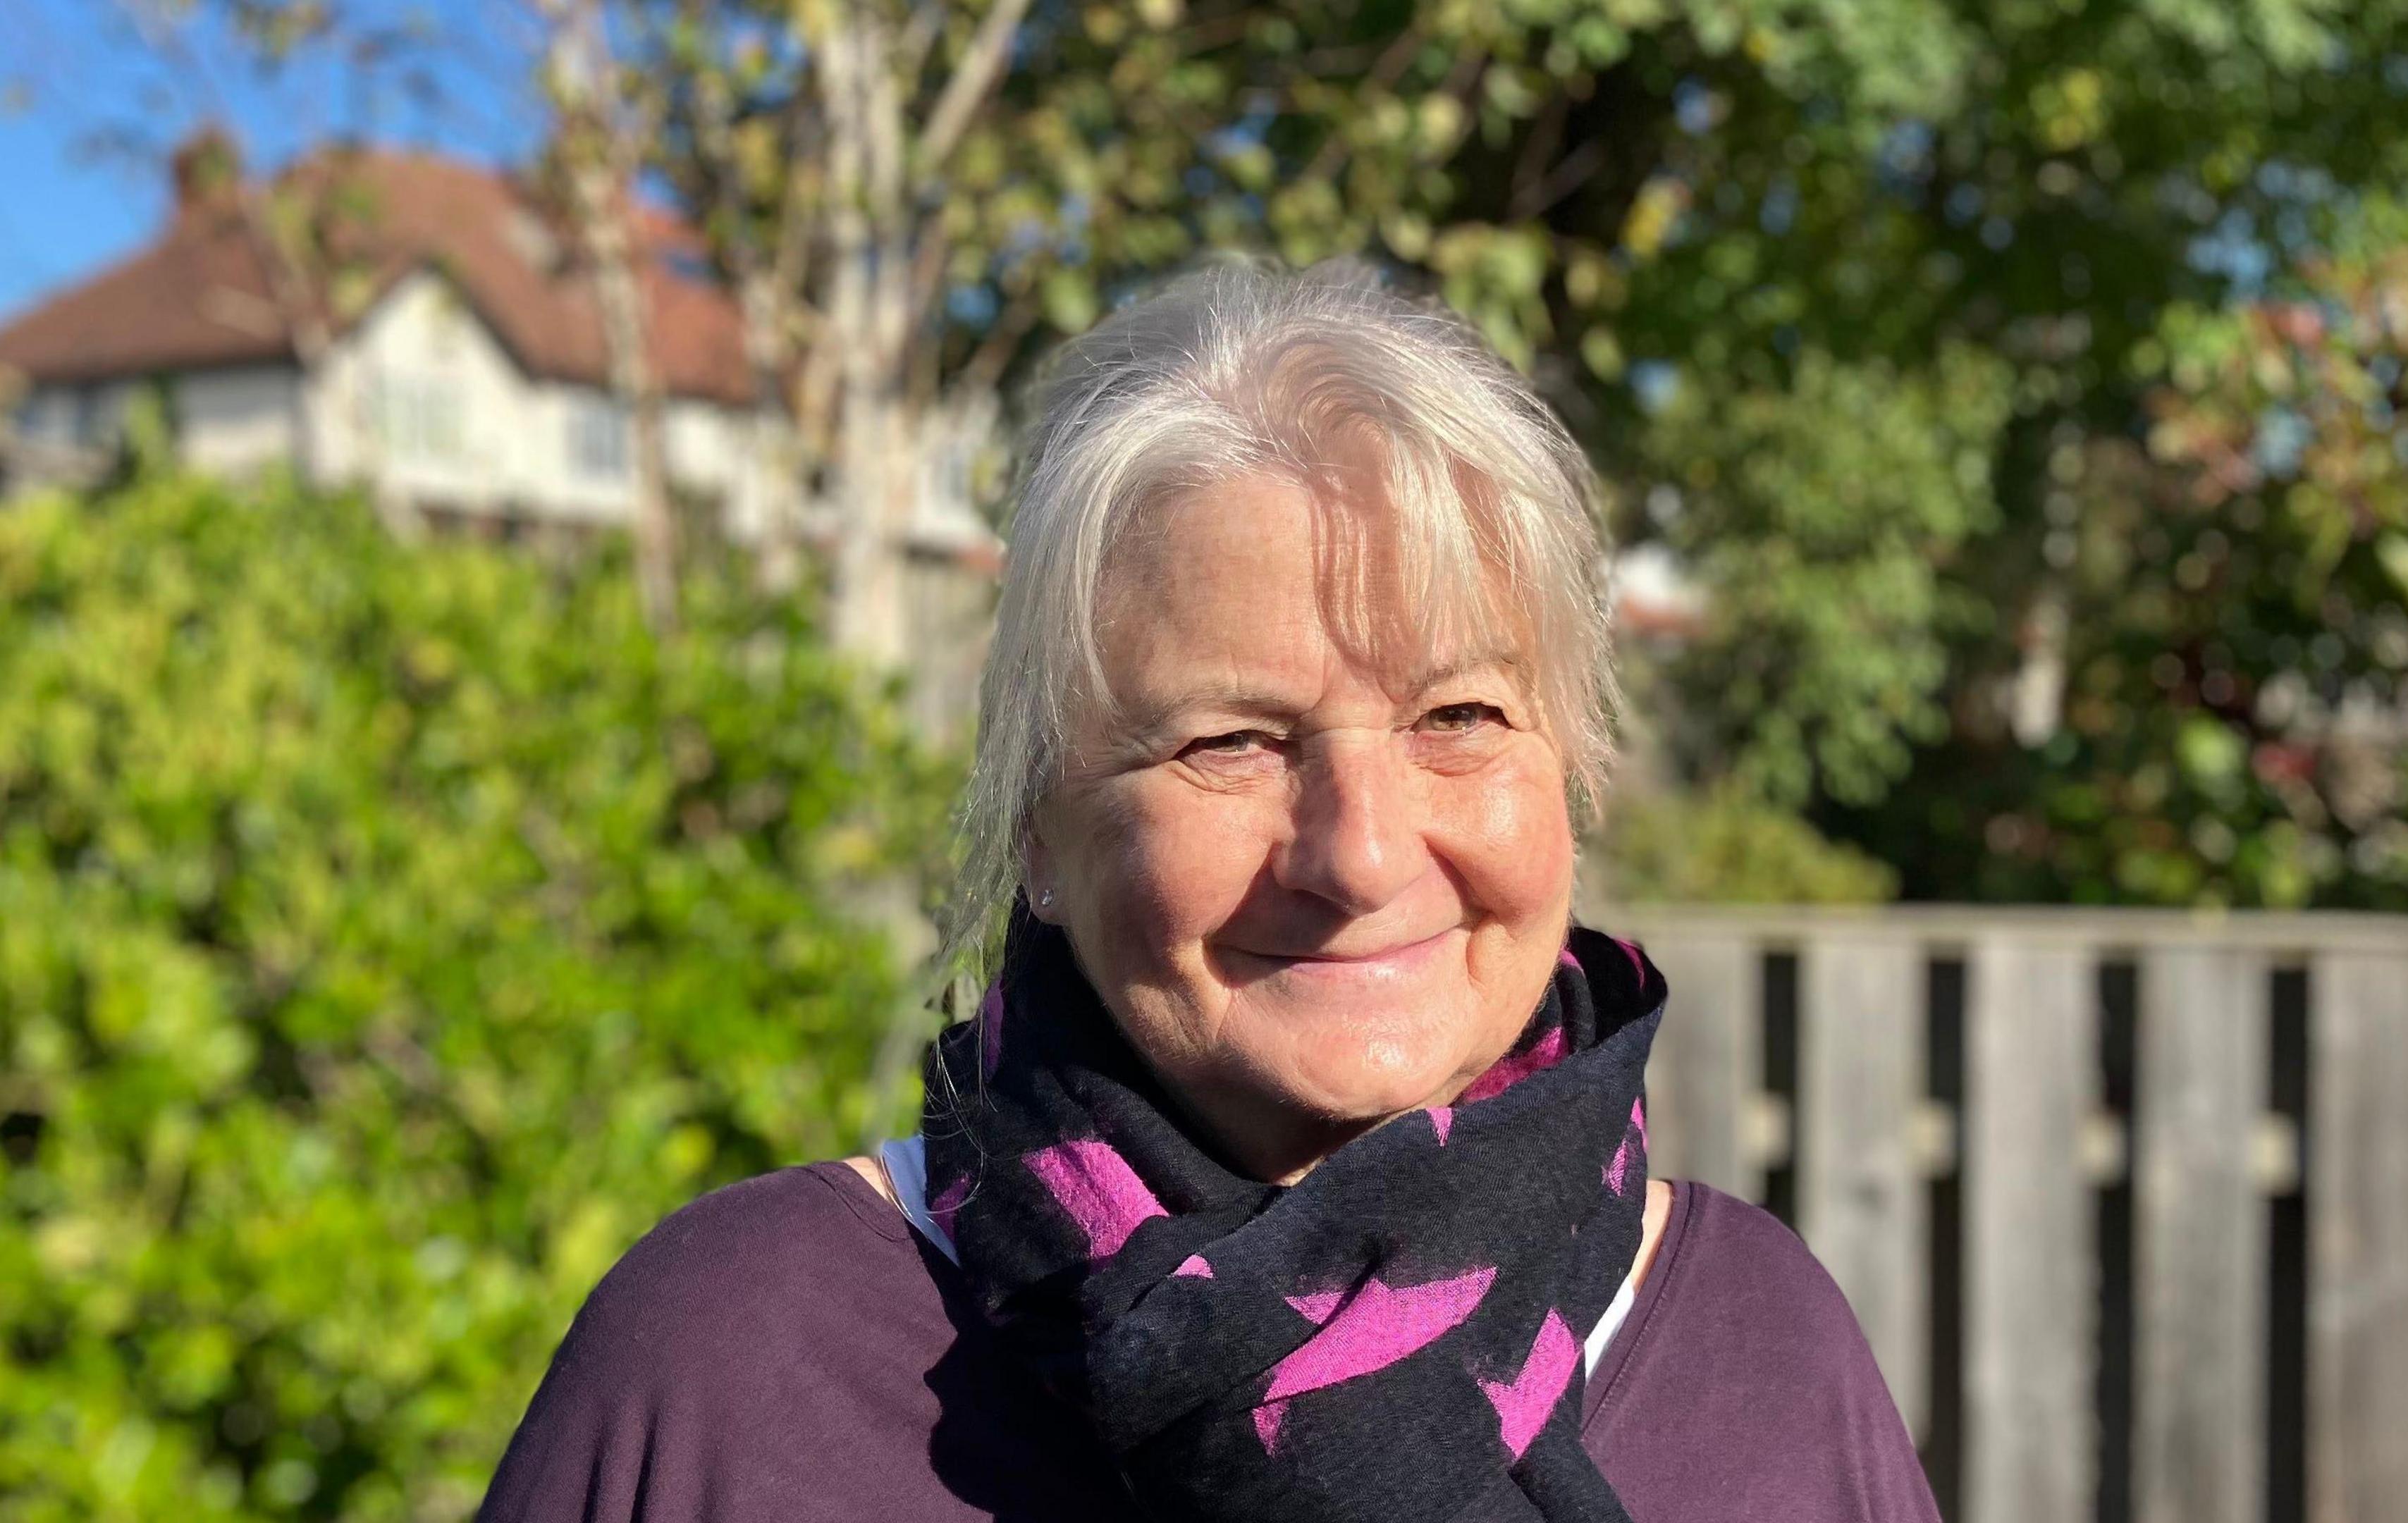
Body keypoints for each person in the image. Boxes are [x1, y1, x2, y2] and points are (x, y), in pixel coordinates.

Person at [477, 260, 1939, 1523]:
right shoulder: (736, 1360)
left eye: (1462, 719)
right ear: (1039, 828)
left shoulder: (1760, 1344)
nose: (1361, 853)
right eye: (1229, 741)